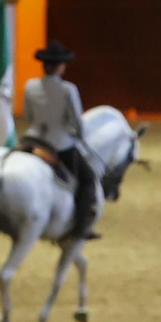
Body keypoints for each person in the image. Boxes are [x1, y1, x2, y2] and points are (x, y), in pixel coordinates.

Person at [22, 40, 99, 240]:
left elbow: (28, 116)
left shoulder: (30, 86)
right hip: (59, 144)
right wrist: (79, 135)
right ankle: (80, 228)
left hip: (32, 140)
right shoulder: (68, 89)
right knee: (88, 179)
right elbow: (77, 120)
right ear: (60, 66)